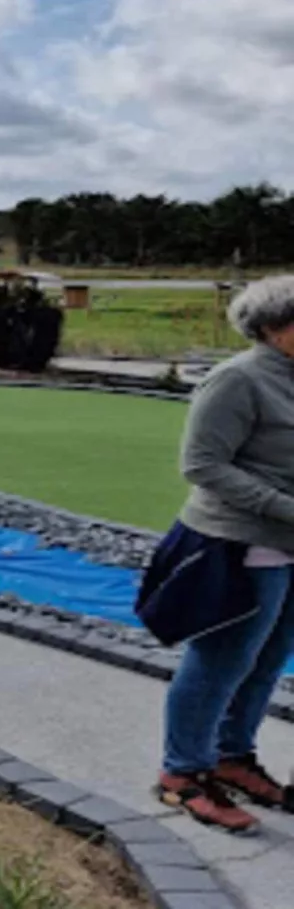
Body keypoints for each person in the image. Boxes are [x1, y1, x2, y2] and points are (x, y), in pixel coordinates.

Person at [151, 276, 294, 833]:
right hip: (239, 542)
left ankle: (232, 756)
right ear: (274, 329)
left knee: (265, 662)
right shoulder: (237, 379)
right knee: (221, 662)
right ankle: (182, 774)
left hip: (287, 545)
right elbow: (203, 465)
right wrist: (286, 506)